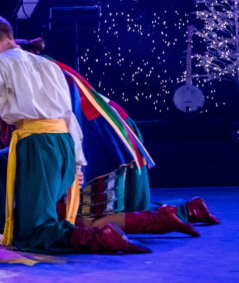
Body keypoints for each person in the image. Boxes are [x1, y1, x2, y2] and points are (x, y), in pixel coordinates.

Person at [0, 16, 149, 254]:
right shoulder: (49, 65)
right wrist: (77, 161)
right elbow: (69, 115)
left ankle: (103, 237)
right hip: (63, 143)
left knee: (36, 233)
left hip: (37, 144)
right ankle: (22, 226)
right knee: (8, 173)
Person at [16, 38, 204, 238]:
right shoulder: (45, 71)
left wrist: (75, 165)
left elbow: (70, 118)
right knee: (118, 209)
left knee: (91, 220)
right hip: (102, 131)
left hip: (100, 136)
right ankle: (189, 209)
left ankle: (169, 217)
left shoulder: (45, 75)